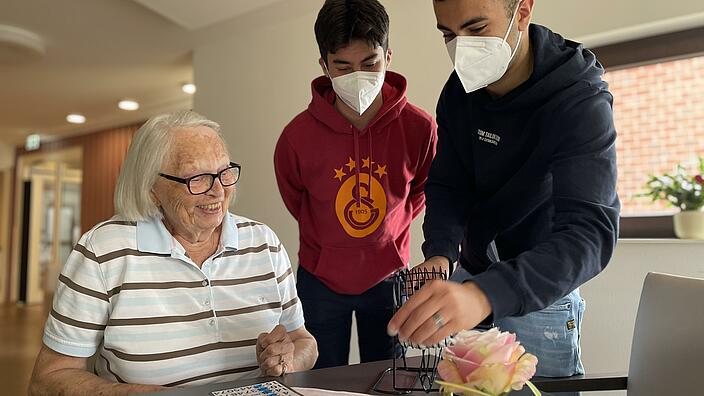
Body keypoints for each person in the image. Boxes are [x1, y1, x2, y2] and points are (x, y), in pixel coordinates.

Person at [387, 0, 620, 377]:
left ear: (523, 11)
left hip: (539, 291)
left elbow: (589, 235)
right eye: (448, 34)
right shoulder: (459, 93)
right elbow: (448, 185)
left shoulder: (578, 101)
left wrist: (485, 294)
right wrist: (441, 254)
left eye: (476, 29)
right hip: (469, 277)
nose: (461, 48)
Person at [29, 111, 318, 395]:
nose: (218, 191)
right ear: (152, 187)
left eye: (224, 172)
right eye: (197, 178)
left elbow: (303, 341)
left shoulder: (263, 242)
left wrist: (289, 360)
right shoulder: (103, 252)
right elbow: (48, 379)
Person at [274, 0, 437, 368]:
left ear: (388, 56)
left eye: (370, 63)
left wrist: (389, 230)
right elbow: (296, 197)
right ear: (324, 66)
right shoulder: (296, 136)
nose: (357, 75)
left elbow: (423, 191)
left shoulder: (419, 127)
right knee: (318, 379)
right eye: (343, 66)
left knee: (386, 378)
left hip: (390, 276)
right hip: (319, 279)